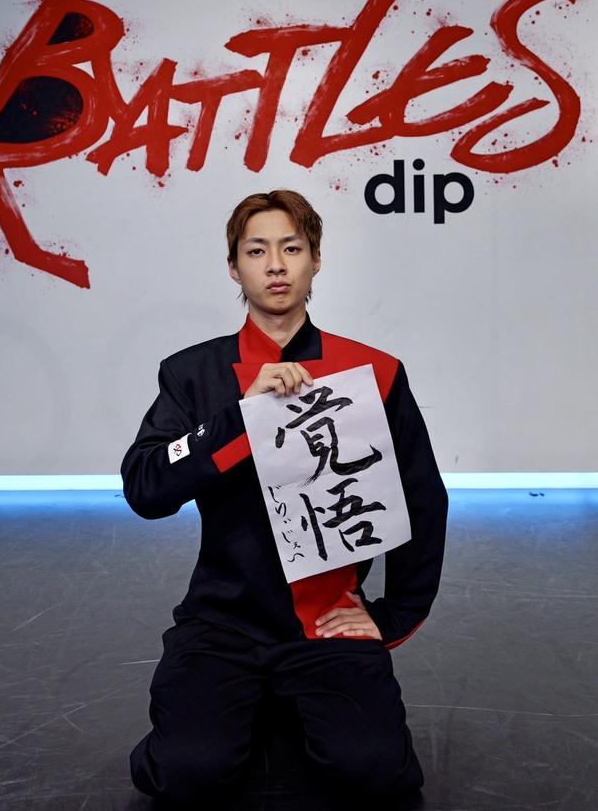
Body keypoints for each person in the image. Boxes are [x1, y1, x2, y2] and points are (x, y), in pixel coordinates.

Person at [122, 189, 448, 808]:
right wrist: (237, 419)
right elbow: (144, 486)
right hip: (221, 621)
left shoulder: (374, 371)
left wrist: (396, 612)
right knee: (186, 774)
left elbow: (423, 498)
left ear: (315, 260)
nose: (275, 265)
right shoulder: (192, 373)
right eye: (257, 251)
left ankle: (289, 706)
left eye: (292, 248)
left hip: (327, 622)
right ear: (233, 267)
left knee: (374, 774)